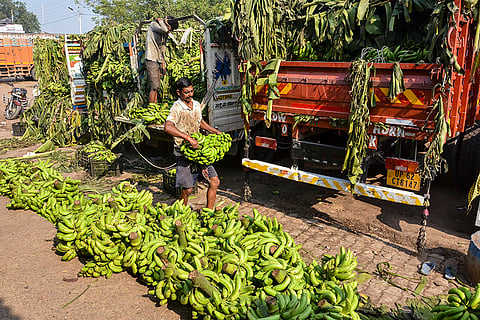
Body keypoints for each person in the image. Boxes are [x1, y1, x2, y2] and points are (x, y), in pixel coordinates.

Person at [164, 77, 222, 209]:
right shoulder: (176, 108)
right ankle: (181, 211)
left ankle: (209, 212)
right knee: (188, 189)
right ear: (179, 93)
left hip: (199, 151)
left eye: (191, 91)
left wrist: (214, 131)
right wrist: (188, 138)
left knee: (214, 181)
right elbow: (168, 127)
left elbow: (199, 121)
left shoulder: (196, 104)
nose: (190, 94)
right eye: (186, 92)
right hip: (184, 152)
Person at [145, 16, 179, 104]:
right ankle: (151, 108)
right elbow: (165, 29)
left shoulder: (164, 34)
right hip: (151, 58)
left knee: (157, 86)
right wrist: (161, 21)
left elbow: (162, 49)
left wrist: (163, 64)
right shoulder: (154, 25)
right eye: (170, 28)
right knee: (154, 87)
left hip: (158, 59)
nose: (170, 31)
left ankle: (154, 106)